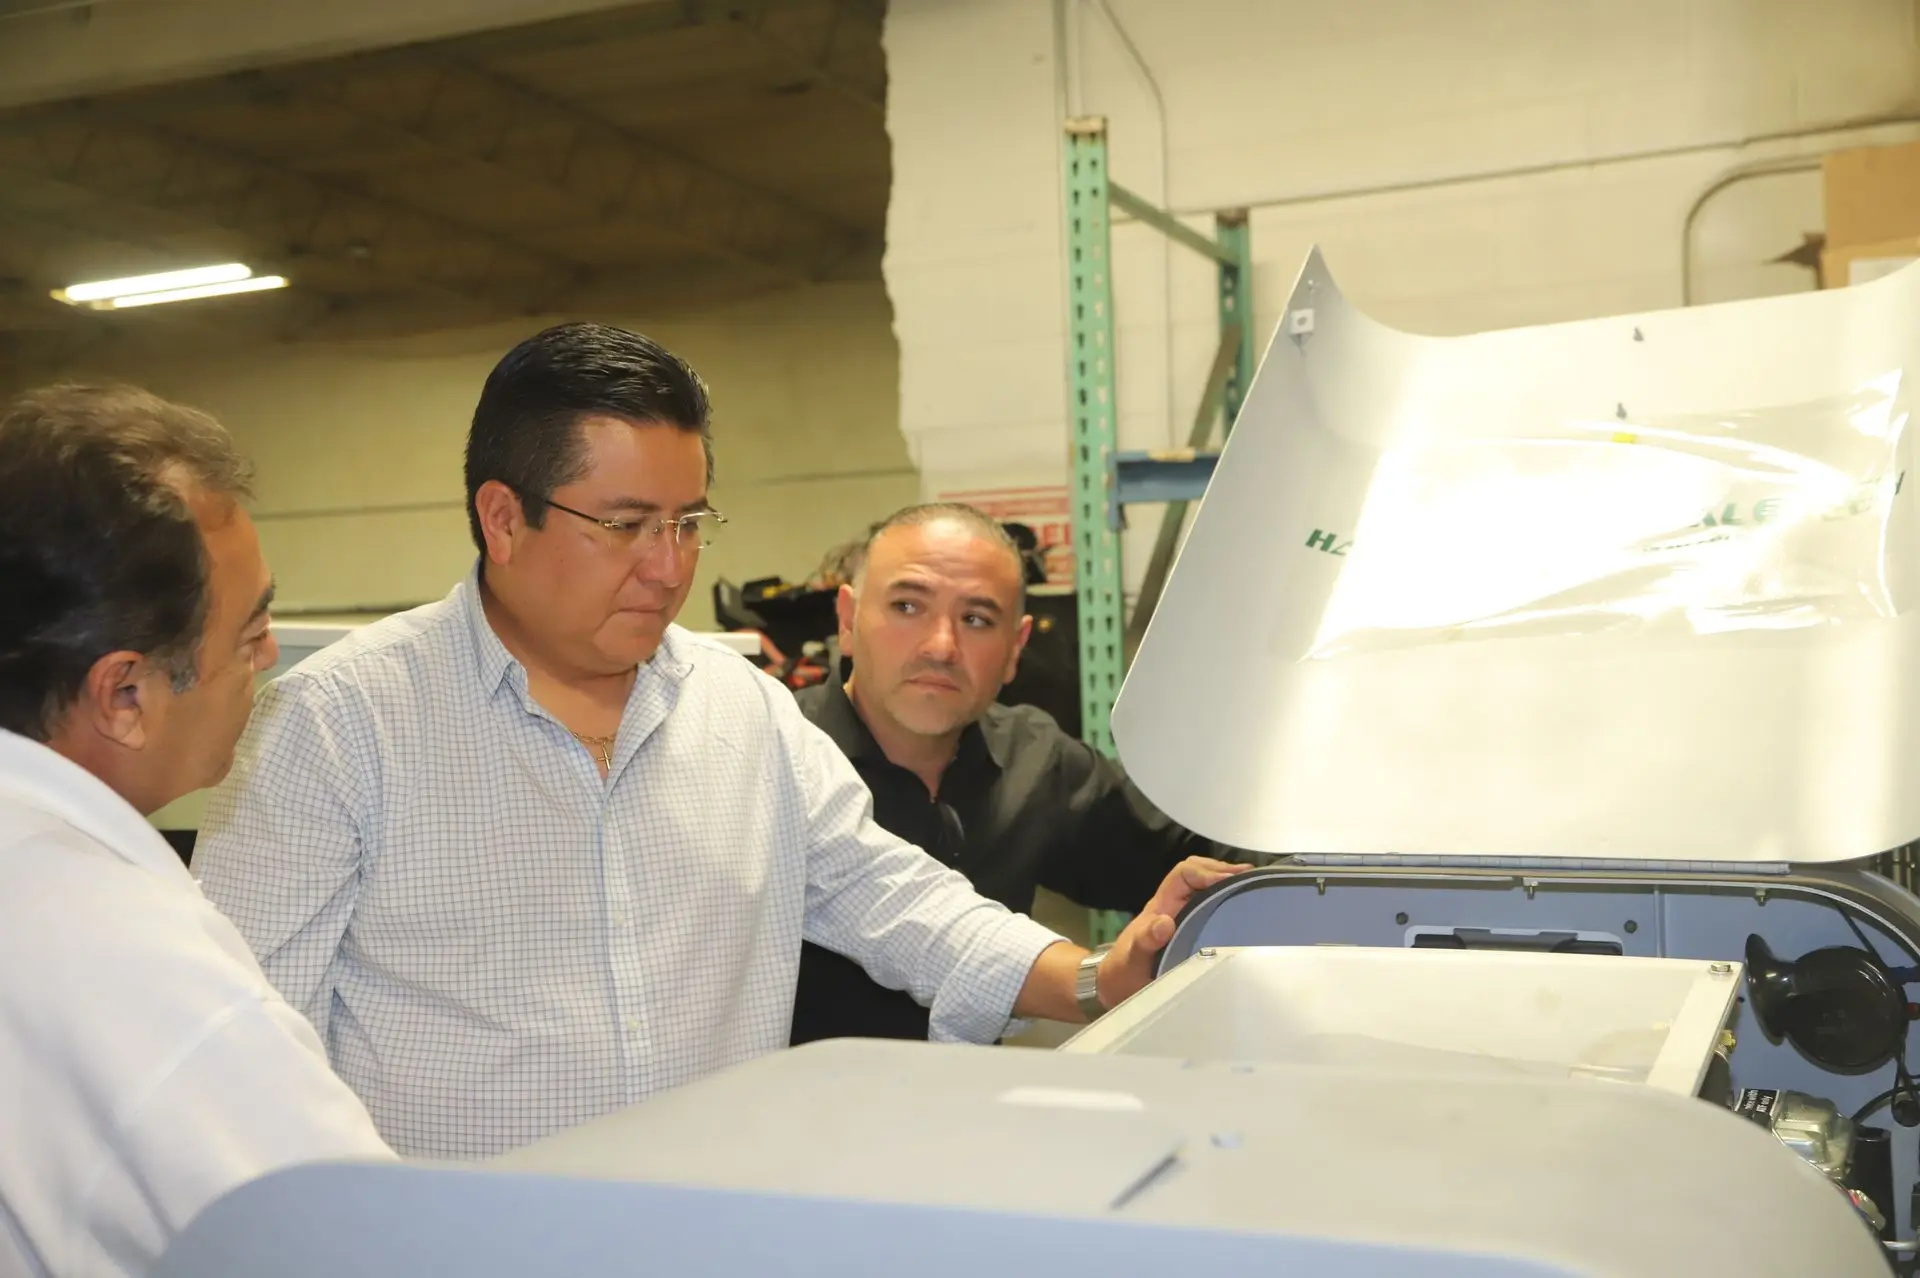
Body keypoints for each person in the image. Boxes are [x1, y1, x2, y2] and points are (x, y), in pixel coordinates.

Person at [192, 322, 1243, 1162]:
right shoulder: (335, 727)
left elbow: (896, 899)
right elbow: (244, 1052)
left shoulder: (736, 710)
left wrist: (1101, 977)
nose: (668, 567)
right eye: (627, 524)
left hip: (710, 1227)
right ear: (503, 518)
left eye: (690, 523)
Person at [0, 385, 395, 1278]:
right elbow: (364, 1245)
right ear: (126, 695)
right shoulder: (126, 959)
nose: (266, 659)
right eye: (252, 630)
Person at [788, 504, 1217, 1044]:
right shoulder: (777, 757)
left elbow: (1197, 861)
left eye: (976, 620)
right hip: (794, 1114)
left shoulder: (1036, 760)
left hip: (973, 1111)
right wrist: (1094, 980)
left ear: (1015, 649)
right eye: (906, 606)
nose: (941, 646)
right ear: (847, 621)